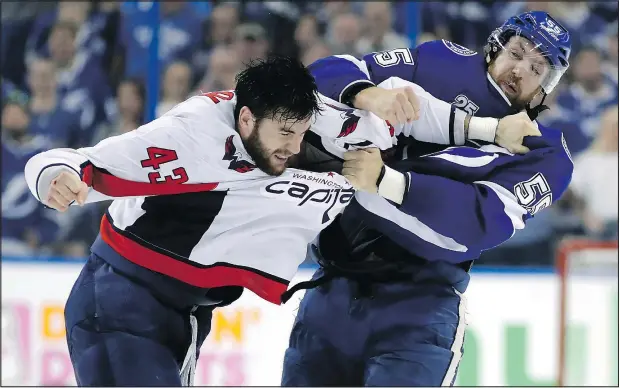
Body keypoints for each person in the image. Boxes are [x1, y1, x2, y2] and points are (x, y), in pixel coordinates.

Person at [24, 53, 533, 386]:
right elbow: (83, 160)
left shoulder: (313, 119)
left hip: (183, 310)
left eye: (301, 131)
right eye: (283, 133)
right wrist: (55, 175)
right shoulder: (190, 137)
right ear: (245, 118)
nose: (292, 146)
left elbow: (406, 115)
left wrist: (489, 128)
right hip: (120, 301)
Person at [281, 11, 574, 386]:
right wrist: (368, 93)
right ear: (495, 47)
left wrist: (387, 182)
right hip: (329, 291)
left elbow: (475, 223)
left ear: (546, 86)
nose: (519, 70)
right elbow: (323, 74)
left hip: (418, 309)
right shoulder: (440, 62)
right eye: (516, 53)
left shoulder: (545, 155)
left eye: (537, 68)